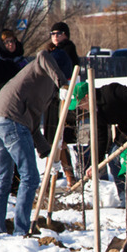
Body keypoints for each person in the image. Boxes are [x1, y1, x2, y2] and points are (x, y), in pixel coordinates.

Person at [0, 48, 73, 235]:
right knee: (30, 177)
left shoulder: (43, 88)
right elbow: (43, 55)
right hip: (11, 121)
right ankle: (21, 230)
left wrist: (50, 154)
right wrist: (63, 84)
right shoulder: (41, 68)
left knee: (4, 176)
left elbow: (32, 125)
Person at [68, 81, 127, 206]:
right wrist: (96, 164)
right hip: (126, 130)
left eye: (80, 104)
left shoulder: (111, 92)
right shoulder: (95, 112)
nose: (79, 108)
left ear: (87, 97)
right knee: (114, 160)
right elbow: (101, 137)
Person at [43, 22, 81, 186]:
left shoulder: (66, 51)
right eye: (52, 33)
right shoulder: (54, 51)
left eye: (59, 33)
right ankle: (65, 174)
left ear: (66, 34)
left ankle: (64, 175)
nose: (55, 36)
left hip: (62, 97)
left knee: (58, 138)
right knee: (56, 139)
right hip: (55, 97)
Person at [0, 29, 28, 102]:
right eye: (6, 42)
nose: (10, 44)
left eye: (12, 41)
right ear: (2, 44)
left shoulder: (21, 61)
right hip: (5, 103)